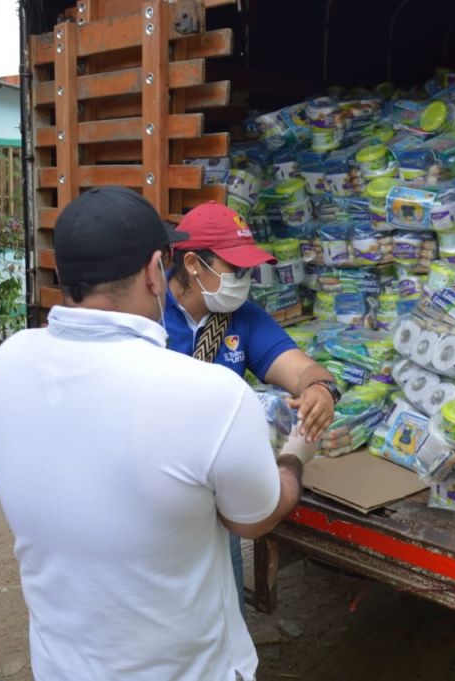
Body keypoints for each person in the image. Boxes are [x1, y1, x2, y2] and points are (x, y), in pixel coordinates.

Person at [0, 186, 313, 681]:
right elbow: (255, 520)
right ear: (158, 271)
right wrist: (294, 456)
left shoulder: (7, 362)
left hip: (62, 666)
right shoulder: (211, 394)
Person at [164, 201, 341, 607]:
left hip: (213, 497)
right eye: (236, 270)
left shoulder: (241, 317)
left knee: (221, 600)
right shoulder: (151, 314)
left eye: (248, 270)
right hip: (159, 491)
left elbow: (301, 370)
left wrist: (320, 390)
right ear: (193, 264)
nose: (245, 280)